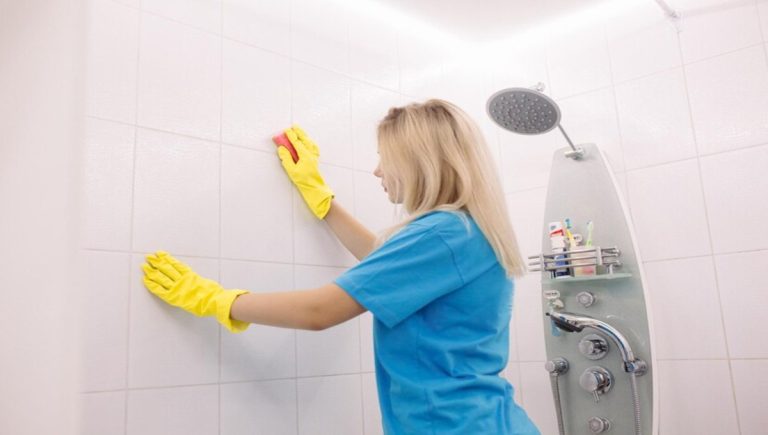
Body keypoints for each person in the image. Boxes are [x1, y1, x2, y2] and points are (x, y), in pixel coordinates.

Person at [142, 99, 540, 435]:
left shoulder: (442, 233)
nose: (378, 171)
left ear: (419, 163)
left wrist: (214, 299)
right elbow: (387, 269)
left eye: (385, 159)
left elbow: (320, 311)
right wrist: (321, 198)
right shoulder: (465, 230)